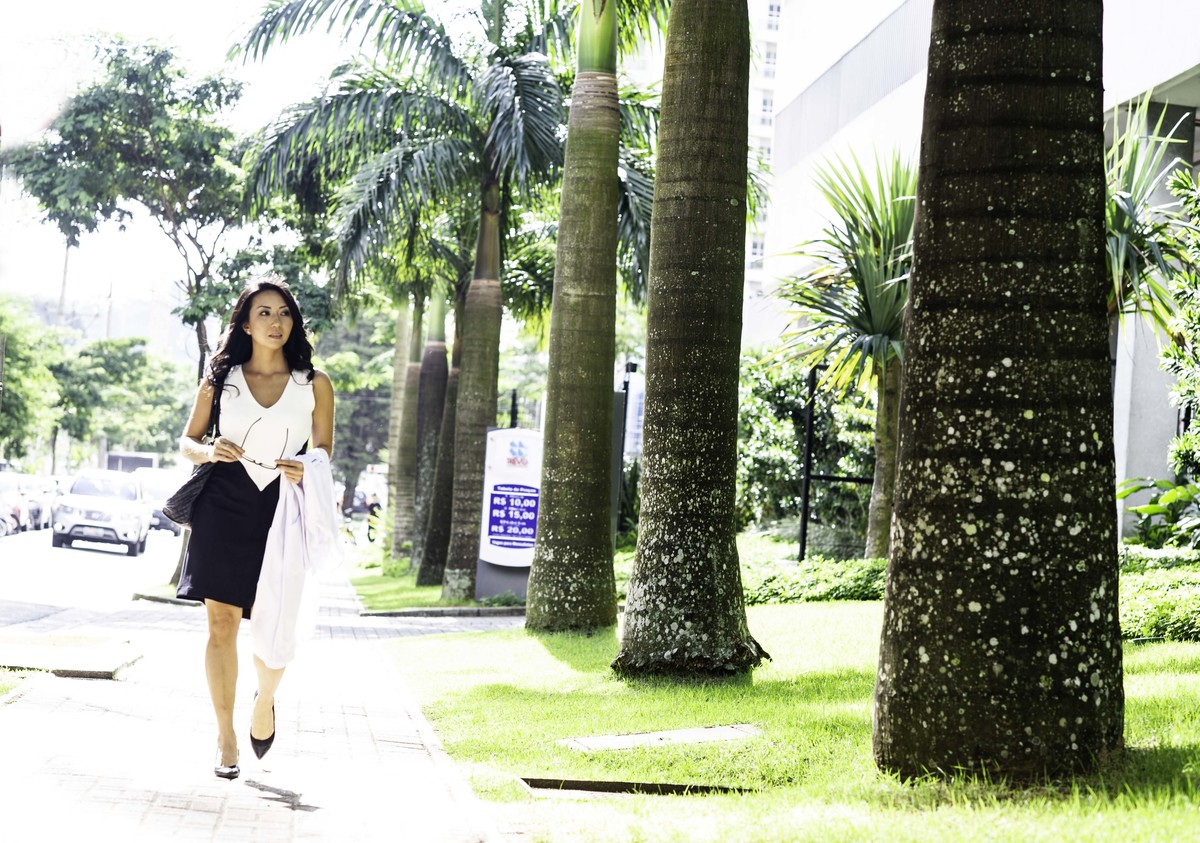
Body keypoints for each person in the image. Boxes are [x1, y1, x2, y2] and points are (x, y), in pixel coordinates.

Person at [176, 278, 335, 780]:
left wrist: (306, 466)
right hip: (222, 504)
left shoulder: (316, 384)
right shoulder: (220, 379)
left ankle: (264, 700)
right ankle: (225, 738)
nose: (275, 321)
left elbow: (324, 451)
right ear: (246, 322)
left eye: (284, 312)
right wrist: (209, 450)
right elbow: (188, 441)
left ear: (294, 323)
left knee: (274, 626)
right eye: (264, 312)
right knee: (221, 624)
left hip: (281, 509)